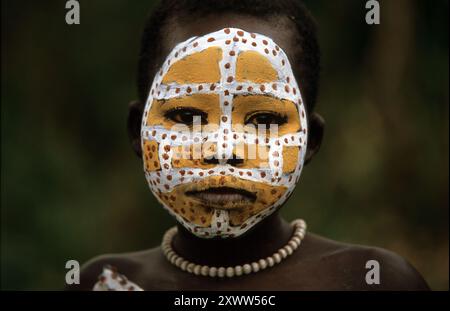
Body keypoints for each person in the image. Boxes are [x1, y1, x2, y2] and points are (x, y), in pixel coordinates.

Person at [70, 0, 429, 291]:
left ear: (310, 141)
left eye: (264, 121)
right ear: (138, 131)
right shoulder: (105, 283)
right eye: (184, 116)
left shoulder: (372, 280)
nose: (223, 149)